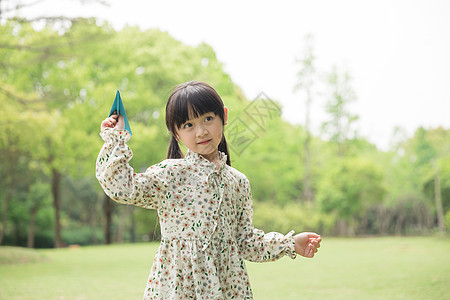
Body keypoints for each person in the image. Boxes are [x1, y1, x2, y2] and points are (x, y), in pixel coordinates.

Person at [96, 81, 321, 300]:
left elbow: (245, 242)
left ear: (223, 116)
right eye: (188, 125)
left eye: (208, 119)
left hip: (227, 288)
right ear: (176, 133)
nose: (201, 131)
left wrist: (290, 244)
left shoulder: (238, 182)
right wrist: (116, 139)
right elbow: (122, 188)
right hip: (177, 287)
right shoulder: (170, 174)